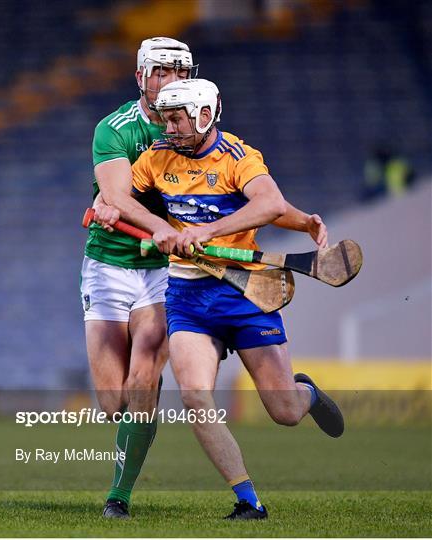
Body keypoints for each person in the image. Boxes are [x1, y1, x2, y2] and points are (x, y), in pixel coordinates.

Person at [95, 78, 344, 520]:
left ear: (204, 116)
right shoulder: (156, 158)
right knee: (194, 395)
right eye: (165, 118)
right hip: (188, 295)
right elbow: (114, 195)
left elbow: (268, 203)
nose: (166, 126)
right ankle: (249, 501)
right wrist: (123, 210)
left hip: (244, 290)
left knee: (284, 411)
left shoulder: (238, 157)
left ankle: (306, 393)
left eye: (176, 119)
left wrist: (293, 222)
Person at [80, 37, 197, 519]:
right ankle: (136, 431)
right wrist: (157, 224)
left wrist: (181, 233)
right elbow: (119, 197)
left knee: (144, 375)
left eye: (178, 72)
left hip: (162, 274)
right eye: (159, 72)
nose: (168, 81)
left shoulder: (196, 131)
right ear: (140, 78)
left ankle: (118, 498)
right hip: (108, 264)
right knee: (114, 402)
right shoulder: (114, 128)